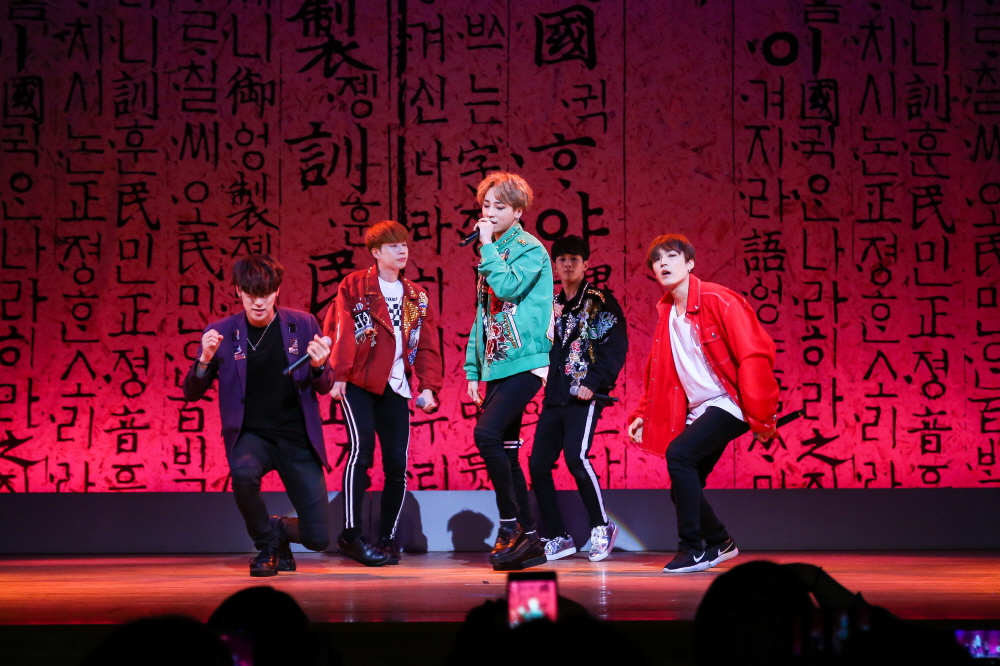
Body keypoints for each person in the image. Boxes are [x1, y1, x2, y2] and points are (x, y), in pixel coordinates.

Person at [626, 234, 779, 573]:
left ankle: (692, 549)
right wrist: (642, 414)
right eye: (656, 260)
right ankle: (719, 541)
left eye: (671, 256)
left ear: (690, 263)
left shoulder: (719, 299)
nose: (663, 263)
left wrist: (762, 416)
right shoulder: (667, 313)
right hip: (701, 409)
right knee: (684, 486)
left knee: (680, 455)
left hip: (731, 401)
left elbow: (754, 355)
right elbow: (657, 372)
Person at [184, 254, 333, 577]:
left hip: (297, 437)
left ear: (276, 291)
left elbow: (325, 386)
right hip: (251, 435)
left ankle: (277, 529)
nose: (259, 302)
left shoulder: (303, 324)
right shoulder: (221, 332)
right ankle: (266, 543)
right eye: (251, 294)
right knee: (243, 475)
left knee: (318, 538)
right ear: (238, 291)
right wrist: (205, 359)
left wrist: (320, 365)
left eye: (265, 293)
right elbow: (191, 392)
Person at [325, 221, 442, 566]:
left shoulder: (415, 295)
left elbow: (426, 344)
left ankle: (387, 538)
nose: (401, 250)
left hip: (396, 386)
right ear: (375, 253)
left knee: (396, 464)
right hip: (359, 383)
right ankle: (351, 535)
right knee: (360, 454)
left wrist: (429, 386)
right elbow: (341, 328)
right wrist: (339, 374)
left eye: (403, 244)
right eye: (393, 246)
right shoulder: (356, 285)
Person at [464, 171, 553, 572]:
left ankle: (509, 524)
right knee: (508, 449)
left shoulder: (529, 248)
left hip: (527, 360)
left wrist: (486, 247)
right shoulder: (494, 251)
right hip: (498, 363)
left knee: (486, 434)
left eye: (499, 206)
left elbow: (508, 290)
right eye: (486, 205)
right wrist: (473, 370)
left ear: (518, 212)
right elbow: (483, 316)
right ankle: (530, 540)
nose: (490, 212)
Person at [528, 235, 628, 562]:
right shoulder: (552, 305)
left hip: (583, 396)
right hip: (554, 396)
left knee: (576, 457)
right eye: (562, 259)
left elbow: (614, 347)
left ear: (586, 264)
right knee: (538, 464)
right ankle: (558, 536)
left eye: (574, 259)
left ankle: (602, 526)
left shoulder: (598, 301)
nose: (568, 264)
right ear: (554, 266)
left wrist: (593, 382)